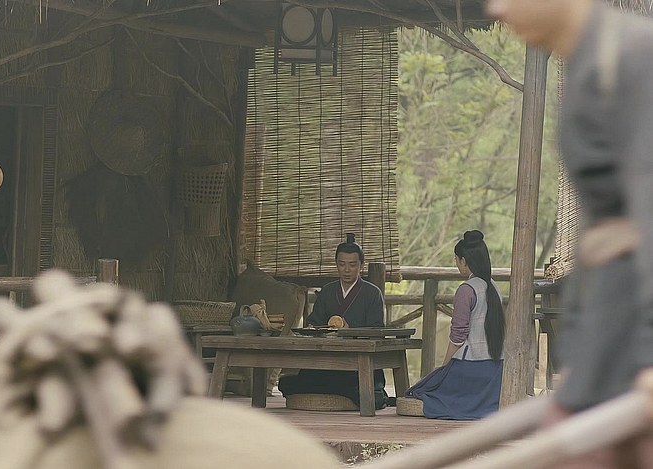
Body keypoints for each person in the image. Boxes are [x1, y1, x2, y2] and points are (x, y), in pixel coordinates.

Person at [485, 0, 653, 465]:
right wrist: (579, 356)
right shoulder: (583, 66)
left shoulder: (633, 58)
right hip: (606, 343)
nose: (497, 9)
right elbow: (599, 235)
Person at [278, 233, 390, 409]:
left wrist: (349, 330)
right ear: (336, 264)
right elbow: (314, 323)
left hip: (358, 364)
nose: (347, 270)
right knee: (287, 383)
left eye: (352, 265)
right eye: (342, 264)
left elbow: (377, 331)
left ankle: (361, 392)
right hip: (328, 362)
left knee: (361, 389)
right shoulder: (328, 291)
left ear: (361, 266)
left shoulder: (372, 293)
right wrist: (317, 330)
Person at [405, 230, 505, 420]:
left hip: (470, 369)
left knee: (421, 390)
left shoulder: (466, 290)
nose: (457, 264)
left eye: (457, 260)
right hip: (496, 369)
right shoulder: (495, 287)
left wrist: (445, 367)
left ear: (464, 261)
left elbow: (458, 337)